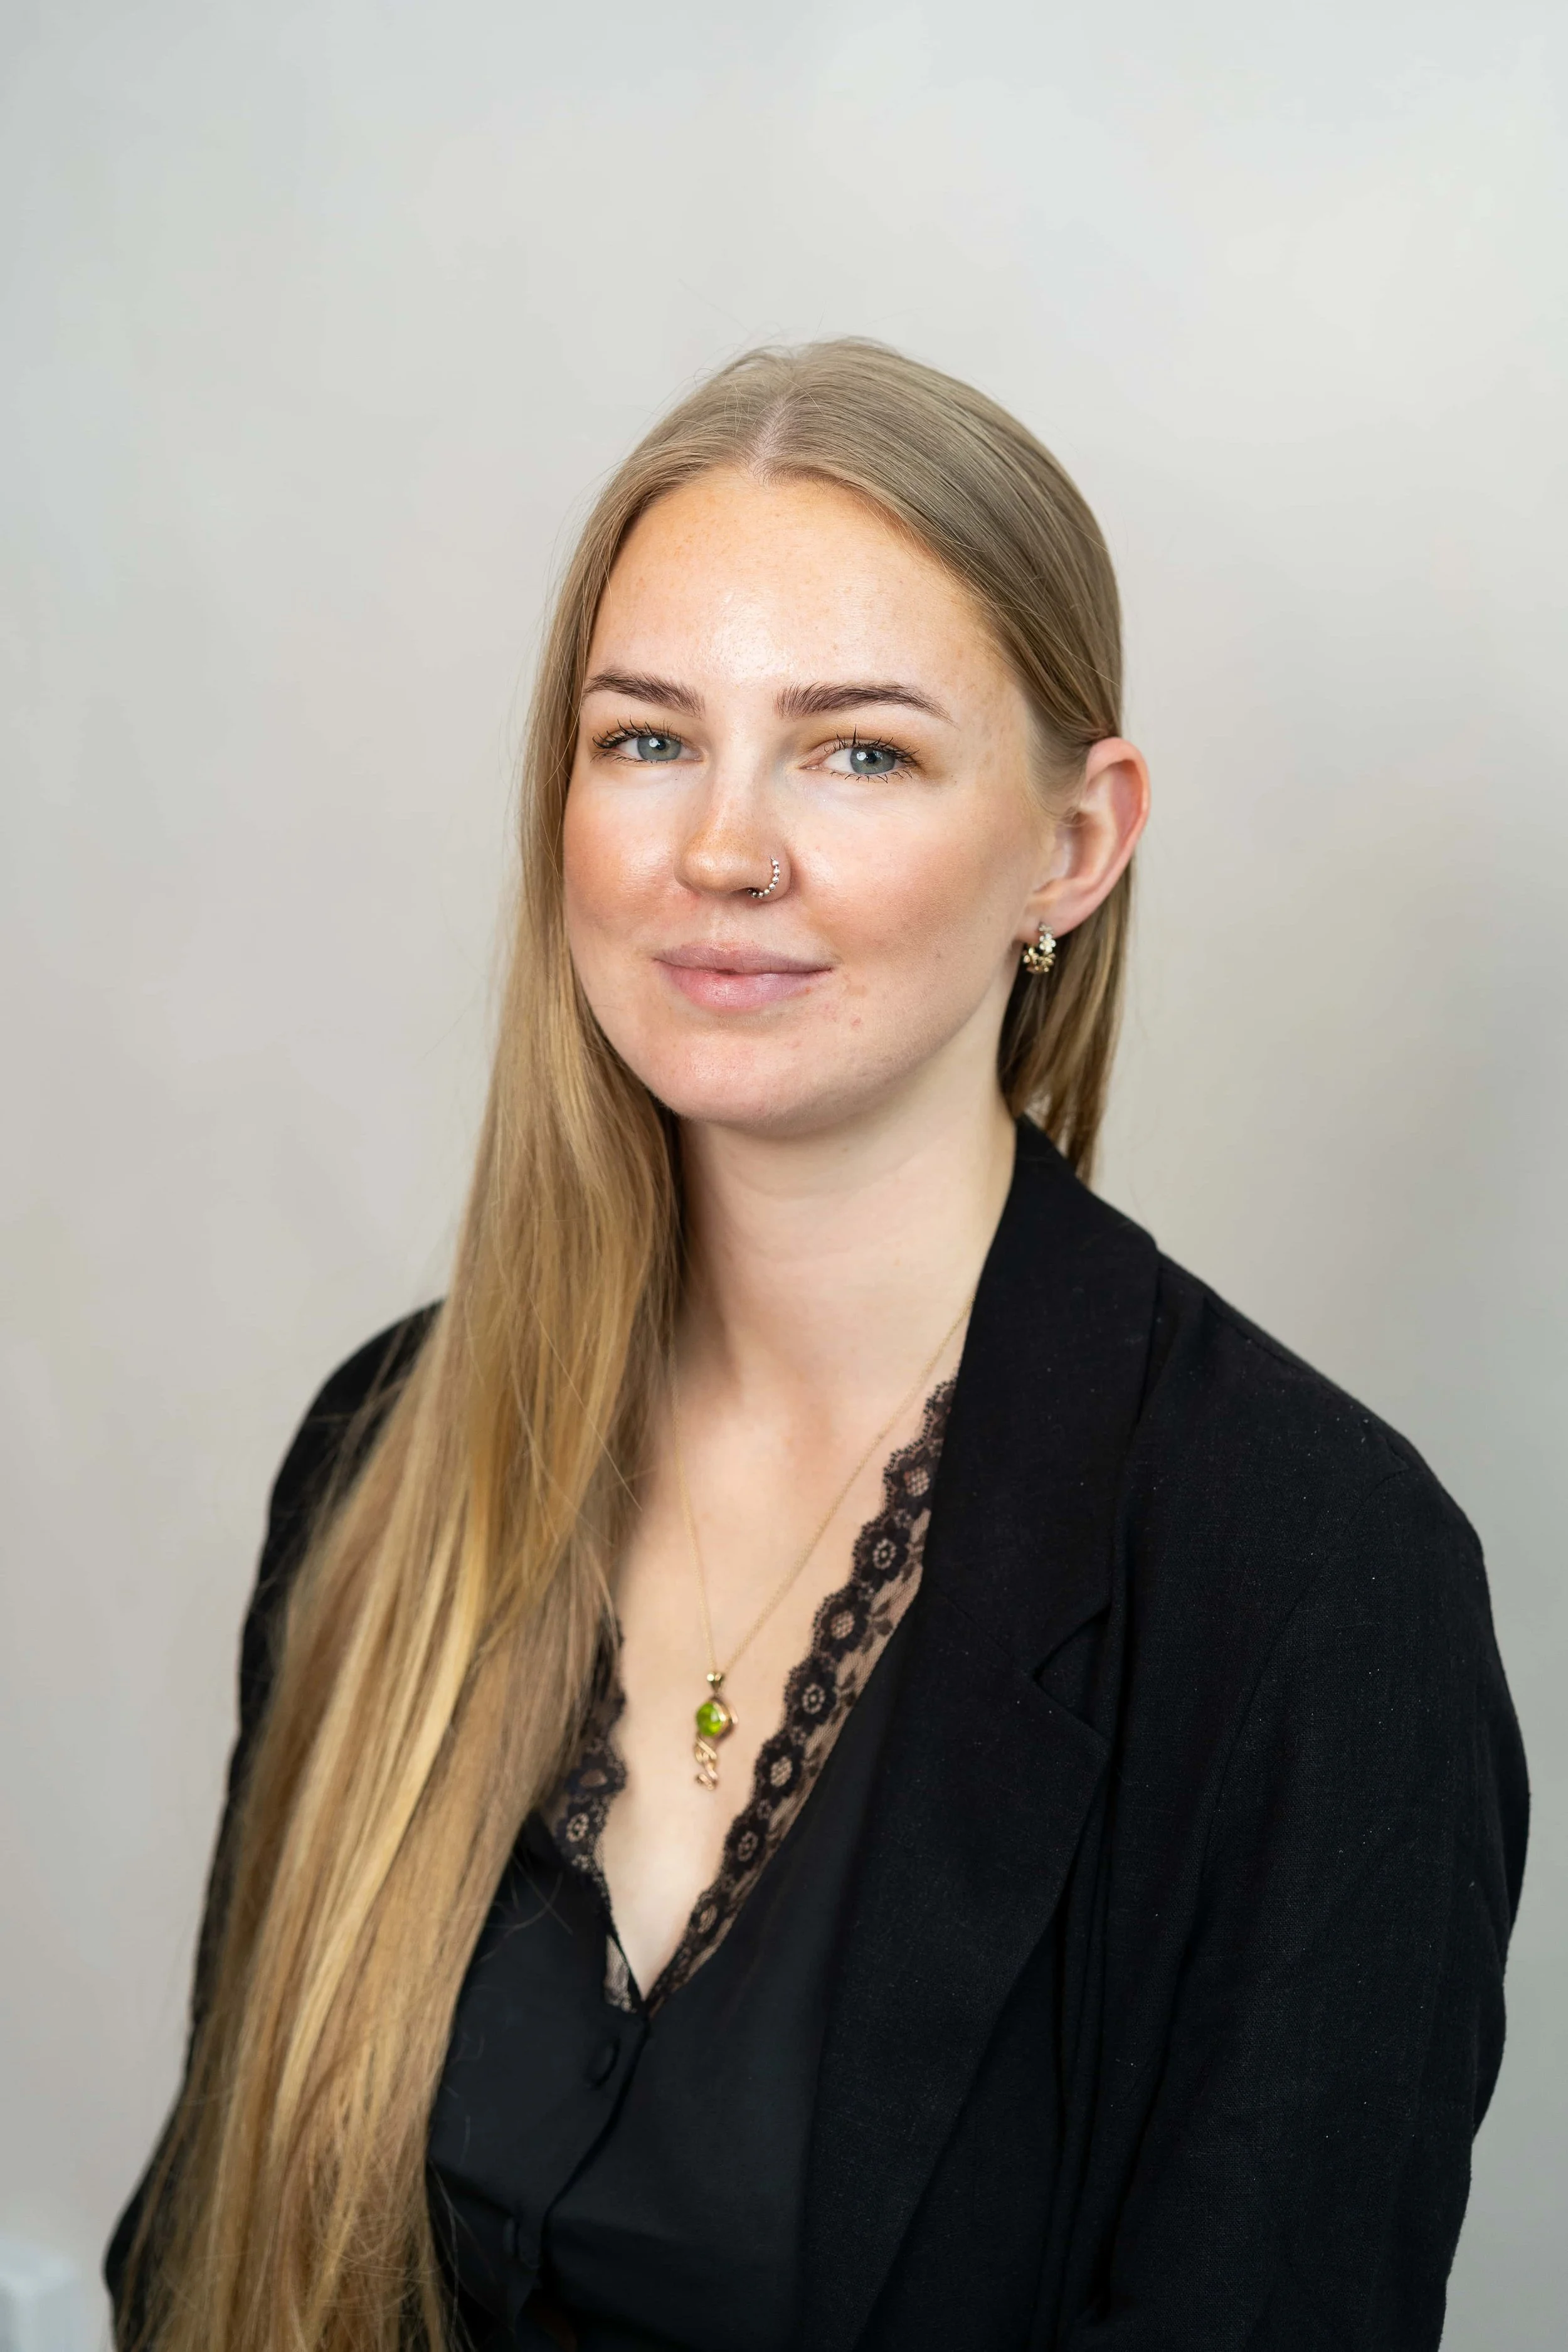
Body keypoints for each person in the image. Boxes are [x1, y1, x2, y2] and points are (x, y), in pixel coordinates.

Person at [107, 340, 1527, 2352]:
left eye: (857, 750)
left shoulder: (1313, 1585)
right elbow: (196, 2277)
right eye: (644, 739)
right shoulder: (387, 1449)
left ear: (1074, 842)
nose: (722, 850)